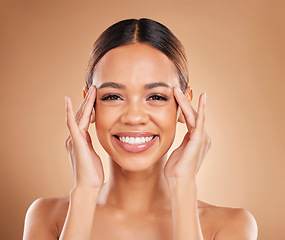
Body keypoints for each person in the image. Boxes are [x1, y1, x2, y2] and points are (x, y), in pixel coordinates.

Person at [23, 18, 258, 240]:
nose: (134, 117)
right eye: (113, 96)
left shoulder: (231, 225)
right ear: (89, 105)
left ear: (183, 106)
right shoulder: (47, 217)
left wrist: (183, 186)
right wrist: (85, 192)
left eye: (155, 96)